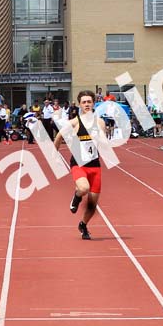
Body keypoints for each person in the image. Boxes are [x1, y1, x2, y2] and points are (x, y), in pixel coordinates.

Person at [53, 90, 108, 240]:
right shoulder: (74, 123)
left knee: (92, 205)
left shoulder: (100, 122)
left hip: (95, 165)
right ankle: (77, 196)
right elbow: (58, 137)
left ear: (93, 103)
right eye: (84, 102)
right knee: (84, 188)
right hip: (79, 164)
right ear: (79, 104)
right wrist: (54, 155)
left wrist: (100, 140)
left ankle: (83, 225)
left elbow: (104, 144)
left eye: (89, 102)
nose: (87, 104)